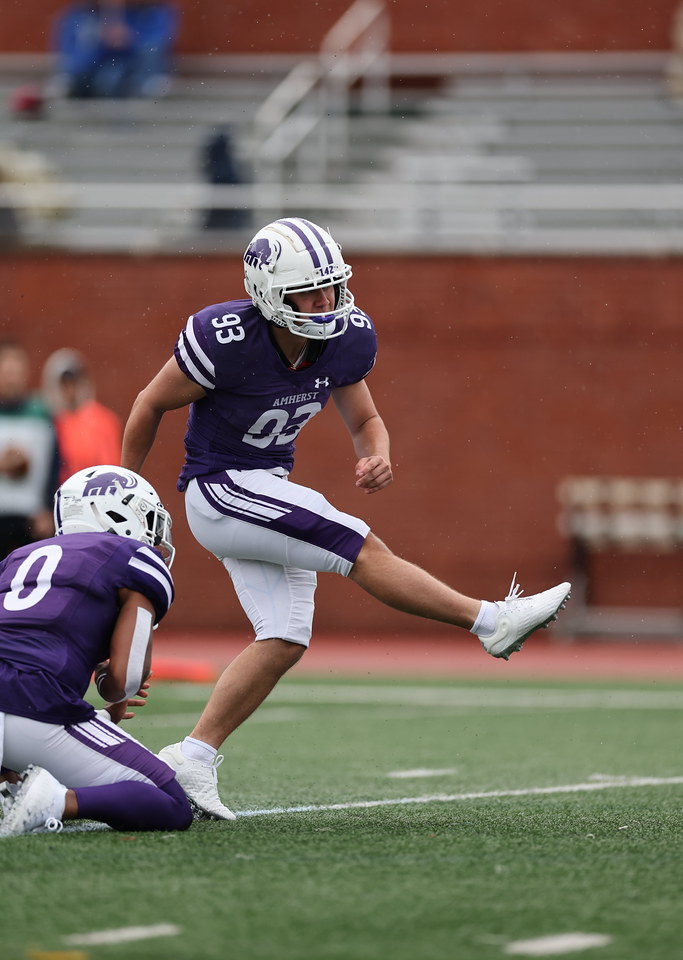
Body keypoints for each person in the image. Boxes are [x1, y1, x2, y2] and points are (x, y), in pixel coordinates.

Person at [120, 216, 571, 820]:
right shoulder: (224, 336)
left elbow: (365, 421)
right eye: (309, 291)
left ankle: (193, 757)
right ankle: (490, 622)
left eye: (332, 287)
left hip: (264, 487)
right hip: (220, 488)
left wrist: (376, 454)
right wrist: (126, 482)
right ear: (267, 295)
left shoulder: (345, 338)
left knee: (283, 639)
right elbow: (150, 402)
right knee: (354, 543)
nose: (326, 302)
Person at [0, 464, 192, 837]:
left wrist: (101, 719)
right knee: (170, 803)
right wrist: (109, 684)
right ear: (118, 513)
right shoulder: (135, 558)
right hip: (28, 702)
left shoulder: (16, 558)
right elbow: (125, 680)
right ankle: (53, 801)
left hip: (20, 705)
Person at [51, 0, 179, 100]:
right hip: (87, 71)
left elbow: (158, 44)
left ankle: (148, 84)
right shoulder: (75, 17)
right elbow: (71, 54)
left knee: (113, 78)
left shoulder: (153, 12)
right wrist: (100, 42)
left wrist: (128, 40)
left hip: (128, 70)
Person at [0, 338, 60, 559]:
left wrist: (47, 508)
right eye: (7, 371)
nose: (12, 378)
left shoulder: (41, 413)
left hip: (31, 517)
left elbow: (54, 464)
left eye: (17, 371)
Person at [41, 348, 122, 483]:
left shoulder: (103, 421)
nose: (70, 391)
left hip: (92, 491)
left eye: (73, 384)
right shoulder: (50, 421)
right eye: (65, 385)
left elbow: (111, 466)